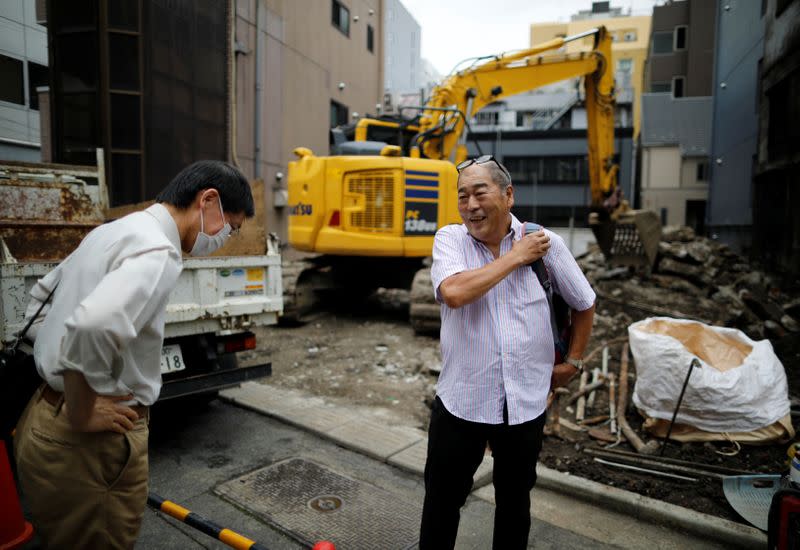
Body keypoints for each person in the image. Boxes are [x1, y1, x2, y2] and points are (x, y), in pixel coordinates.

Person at [13, 160, 254, 549]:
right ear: (208, 200)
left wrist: (58, 376)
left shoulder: (111, 232)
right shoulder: (158, 250)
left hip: (42, 421)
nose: (225, 237)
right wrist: (82, 406)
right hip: (88, 443)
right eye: (231, 226)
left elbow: (41, 300)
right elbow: (92, 326)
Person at [419, 155, 596, 549]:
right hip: (462, 402)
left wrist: (574, 361)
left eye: (480, 192)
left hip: (524, 404)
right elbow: (454, 293)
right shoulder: (451, 240)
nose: (470, 205)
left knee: (514, 504)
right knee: (441, 504)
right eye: (462, 196)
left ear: (508, 195)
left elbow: (584, 303)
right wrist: (515, 256)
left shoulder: (548, 245)